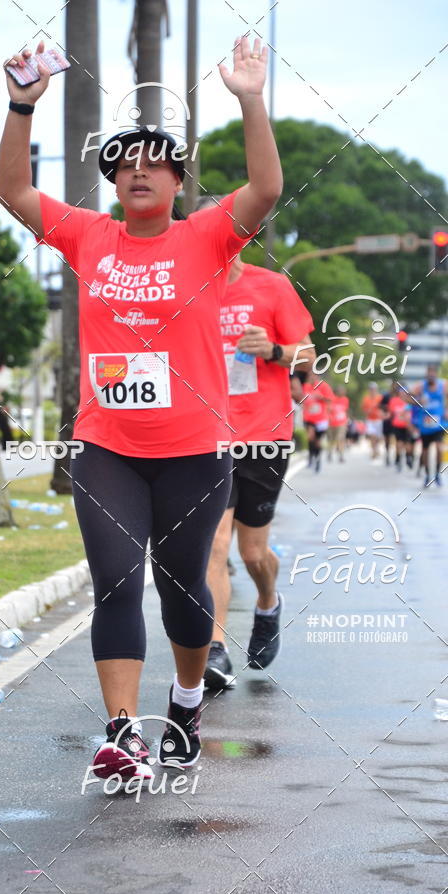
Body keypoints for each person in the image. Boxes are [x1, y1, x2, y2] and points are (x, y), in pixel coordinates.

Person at [0, 37, 283, 781]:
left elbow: (266, 188)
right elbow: (14, 194)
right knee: (117, 580)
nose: (139, 170)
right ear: (114, 183)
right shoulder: (89, 237)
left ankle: (185, 701)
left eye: (155, 161)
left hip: (194, 453)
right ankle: (122, 733)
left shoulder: (208, 237)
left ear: (180, 180)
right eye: (125, 164)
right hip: (108, 448)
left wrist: (251, 98)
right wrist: (22, 106)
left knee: (182, 589)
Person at [197, 217, 314, 689]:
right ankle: (215, 651)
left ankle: (268, 602)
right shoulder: (187, 293)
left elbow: (308, 355)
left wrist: (273, 350)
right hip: (206, 436)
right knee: (215, 544)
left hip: (264, 435)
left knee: (252, 550)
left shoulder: (273, 287)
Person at [412, 365, 446, 487]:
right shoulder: (421, 386)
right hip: (425, 425)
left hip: (438, 424)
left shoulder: (443, 385)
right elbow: (410, 396)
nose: (431, 375)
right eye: (429, 373)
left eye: (433, 373)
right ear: (426, 375)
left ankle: (437, 473)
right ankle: (427, 475)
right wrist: (417, 401)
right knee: (425, 451)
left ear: (436, 374)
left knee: (438, 448)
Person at [301, 371, 333, 472]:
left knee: (317, 442)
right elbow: (300, 399)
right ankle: (311, 457)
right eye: (309, 375)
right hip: (309, 418)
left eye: (313, 375)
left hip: (321, 419)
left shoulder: (324, 386)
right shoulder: (305, 386)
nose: (311, 377)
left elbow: (330, 400)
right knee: (310, 437)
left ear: (317, 376)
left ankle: (317, 458)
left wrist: (321, 397)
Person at [387, 382, 411, 472]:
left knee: (408, 444)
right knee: (399, 443)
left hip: (407, 426)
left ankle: (408, 457)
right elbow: (391, 413)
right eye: (401, 392)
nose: (403, 394)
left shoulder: (409, 401)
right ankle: (398, 459)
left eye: (404, 392)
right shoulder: (393, 401)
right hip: (397, 425)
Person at [361, 382, 383, 459]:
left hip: (379, 420)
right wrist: (368, 411)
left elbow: (384, 408)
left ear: (376, 389)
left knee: (378, 437)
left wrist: (380, 412)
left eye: (374, 389)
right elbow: (364, 409)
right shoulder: (366, 398)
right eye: (371, 389)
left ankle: (376, 448)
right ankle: (374, 451)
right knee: (372, 436)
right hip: (370, 420)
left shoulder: (380, 398)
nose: (372, 390)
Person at [327, 385, 349, 463]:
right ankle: (329, 453)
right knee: (331, 440)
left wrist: (347, 421)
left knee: (340, 438)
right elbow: (328, 410)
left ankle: (341, 455)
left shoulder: (345, 400)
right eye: (341, 390)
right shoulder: (332, 399)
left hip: (342, 423)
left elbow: (345, 411)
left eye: (344, 390)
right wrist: (330, 418)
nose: (343, 392)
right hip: (332, 423)